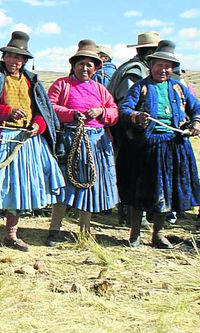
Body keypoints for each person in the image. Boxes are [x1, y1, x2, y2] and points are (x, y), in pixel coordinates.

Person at [0, 31, 64, 252]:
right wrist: (7, 112)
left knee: (18, 190)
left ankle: (11, 235)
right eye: (10, 56)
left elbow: (42, 111)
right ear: (4, 57)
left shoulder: (32, 81)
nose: (13, 61)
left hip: (25, 143)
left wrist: (38, 125)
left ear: (25, 60)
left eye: (18, 58)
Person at [118, 40, 200, 248]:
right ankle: (135, 234)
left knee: (167, 192)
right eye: (159, 65)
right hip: (147, 147)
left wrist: (196, 123)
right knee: (140, 191)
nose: (163, 70)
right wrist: (136, 116)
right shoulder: (141, 87)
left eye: (167, 66)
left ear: (172, 68)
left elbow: (196, 109)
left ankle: (158, 235)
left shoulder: (178, 88)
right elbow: (125, 110)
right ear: (151, 65)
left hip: (174, 146)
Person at [46, 45, 119, 246]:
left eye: (89, 65)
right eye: (81, 64)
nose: (84, 69)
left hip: (96, 142)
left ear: (95, 69)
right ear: (73, 66)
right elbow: (50, 107)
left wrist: (101, 112)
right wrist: (70, 114)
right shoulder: (63, 85)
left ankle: (84, 231)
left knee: (90, 186)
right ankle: (54, 229)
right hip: (70, 141)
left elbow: (114, 112)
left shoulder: (100, 89)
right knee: (64, 186)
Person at [107, 31, 161, 226]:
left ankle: (130, 214)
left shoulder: (130, 67)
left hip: (133, 130)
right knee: (133, 173)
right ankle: (130, 216)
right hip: (130, 131)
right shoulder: (135, 71)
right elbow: (128, 101)